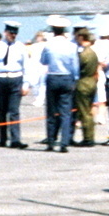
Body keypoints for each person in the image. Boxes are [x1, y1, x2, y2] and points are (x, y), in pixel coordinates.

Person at [0, 21, 30, 149]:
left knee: (14, 111)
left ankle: (16, 139)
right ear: (5, 32)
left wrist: (26, 84)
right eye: (11, 32)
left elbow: (26, 66)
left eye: (15, 33)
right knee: (1, 111)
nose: (13, 35)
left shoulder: (21, 47)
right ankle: (3, 138)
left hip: (15, 78)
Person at [38, 16, 79, 152]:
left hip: (53, 77)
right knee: (66, 112)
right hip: (67, 77)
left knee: (51, 111)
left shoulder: (48, 45)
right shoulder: (72, 46)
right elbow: (75, 66)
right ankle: (64, 142)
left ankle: (50, 141)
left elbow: (43, 61)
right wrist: (75, 79)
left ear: (53, 31)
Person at [73, 29, 99, 146]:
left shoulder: (84, 54)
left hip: (83, 83)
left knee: (84, 112)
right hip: (92, 82)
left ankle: (88, 138)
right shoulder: (93, 53)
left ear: (82, 38)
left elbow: (77, 67)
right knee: (88, 110)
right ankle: (89, 136)